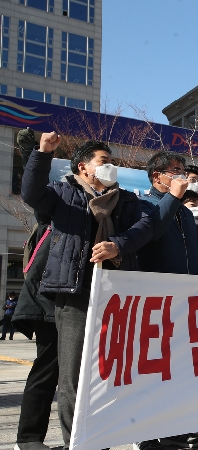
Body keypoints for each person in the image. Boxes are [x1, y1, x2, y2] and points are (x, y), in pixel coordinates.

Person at [21, 133, 154, 450]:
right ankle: (79, 442)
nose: (111, 167)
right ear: (83, 167)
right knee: (73, 377)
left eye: (112, 162)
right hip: (75, 295)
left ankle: (103, 435)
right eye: (104, 161)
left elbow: (146, 225)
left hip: (117, 295)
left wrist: (117, 245)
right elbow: (30, 193)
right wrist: (41, 153)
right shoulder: (62, 193)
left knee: (110, 372)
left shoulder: (126, 200)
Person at [136, 151, 198, 450]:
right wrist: (172, 198)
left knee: (178, 368)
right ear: (156, 176)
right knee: (151, 369)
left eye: (183, 169)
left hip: (185, 303)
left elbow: (195, 252)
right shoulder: (143, 205)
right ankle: (145, 435)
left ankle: (173, 428)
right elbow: (150, 236)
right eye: (174, 170)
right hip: (154, 300)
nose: (182, 174)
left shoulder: (186, 213)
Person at [10, 128, 60, 450]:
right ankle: (28, 439)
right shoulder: (58, 202)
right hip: (50, 302)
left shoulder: (105, 207)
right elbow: (34, 189)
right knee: (46, 370)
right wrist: (36, 153)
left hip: (88, 304)